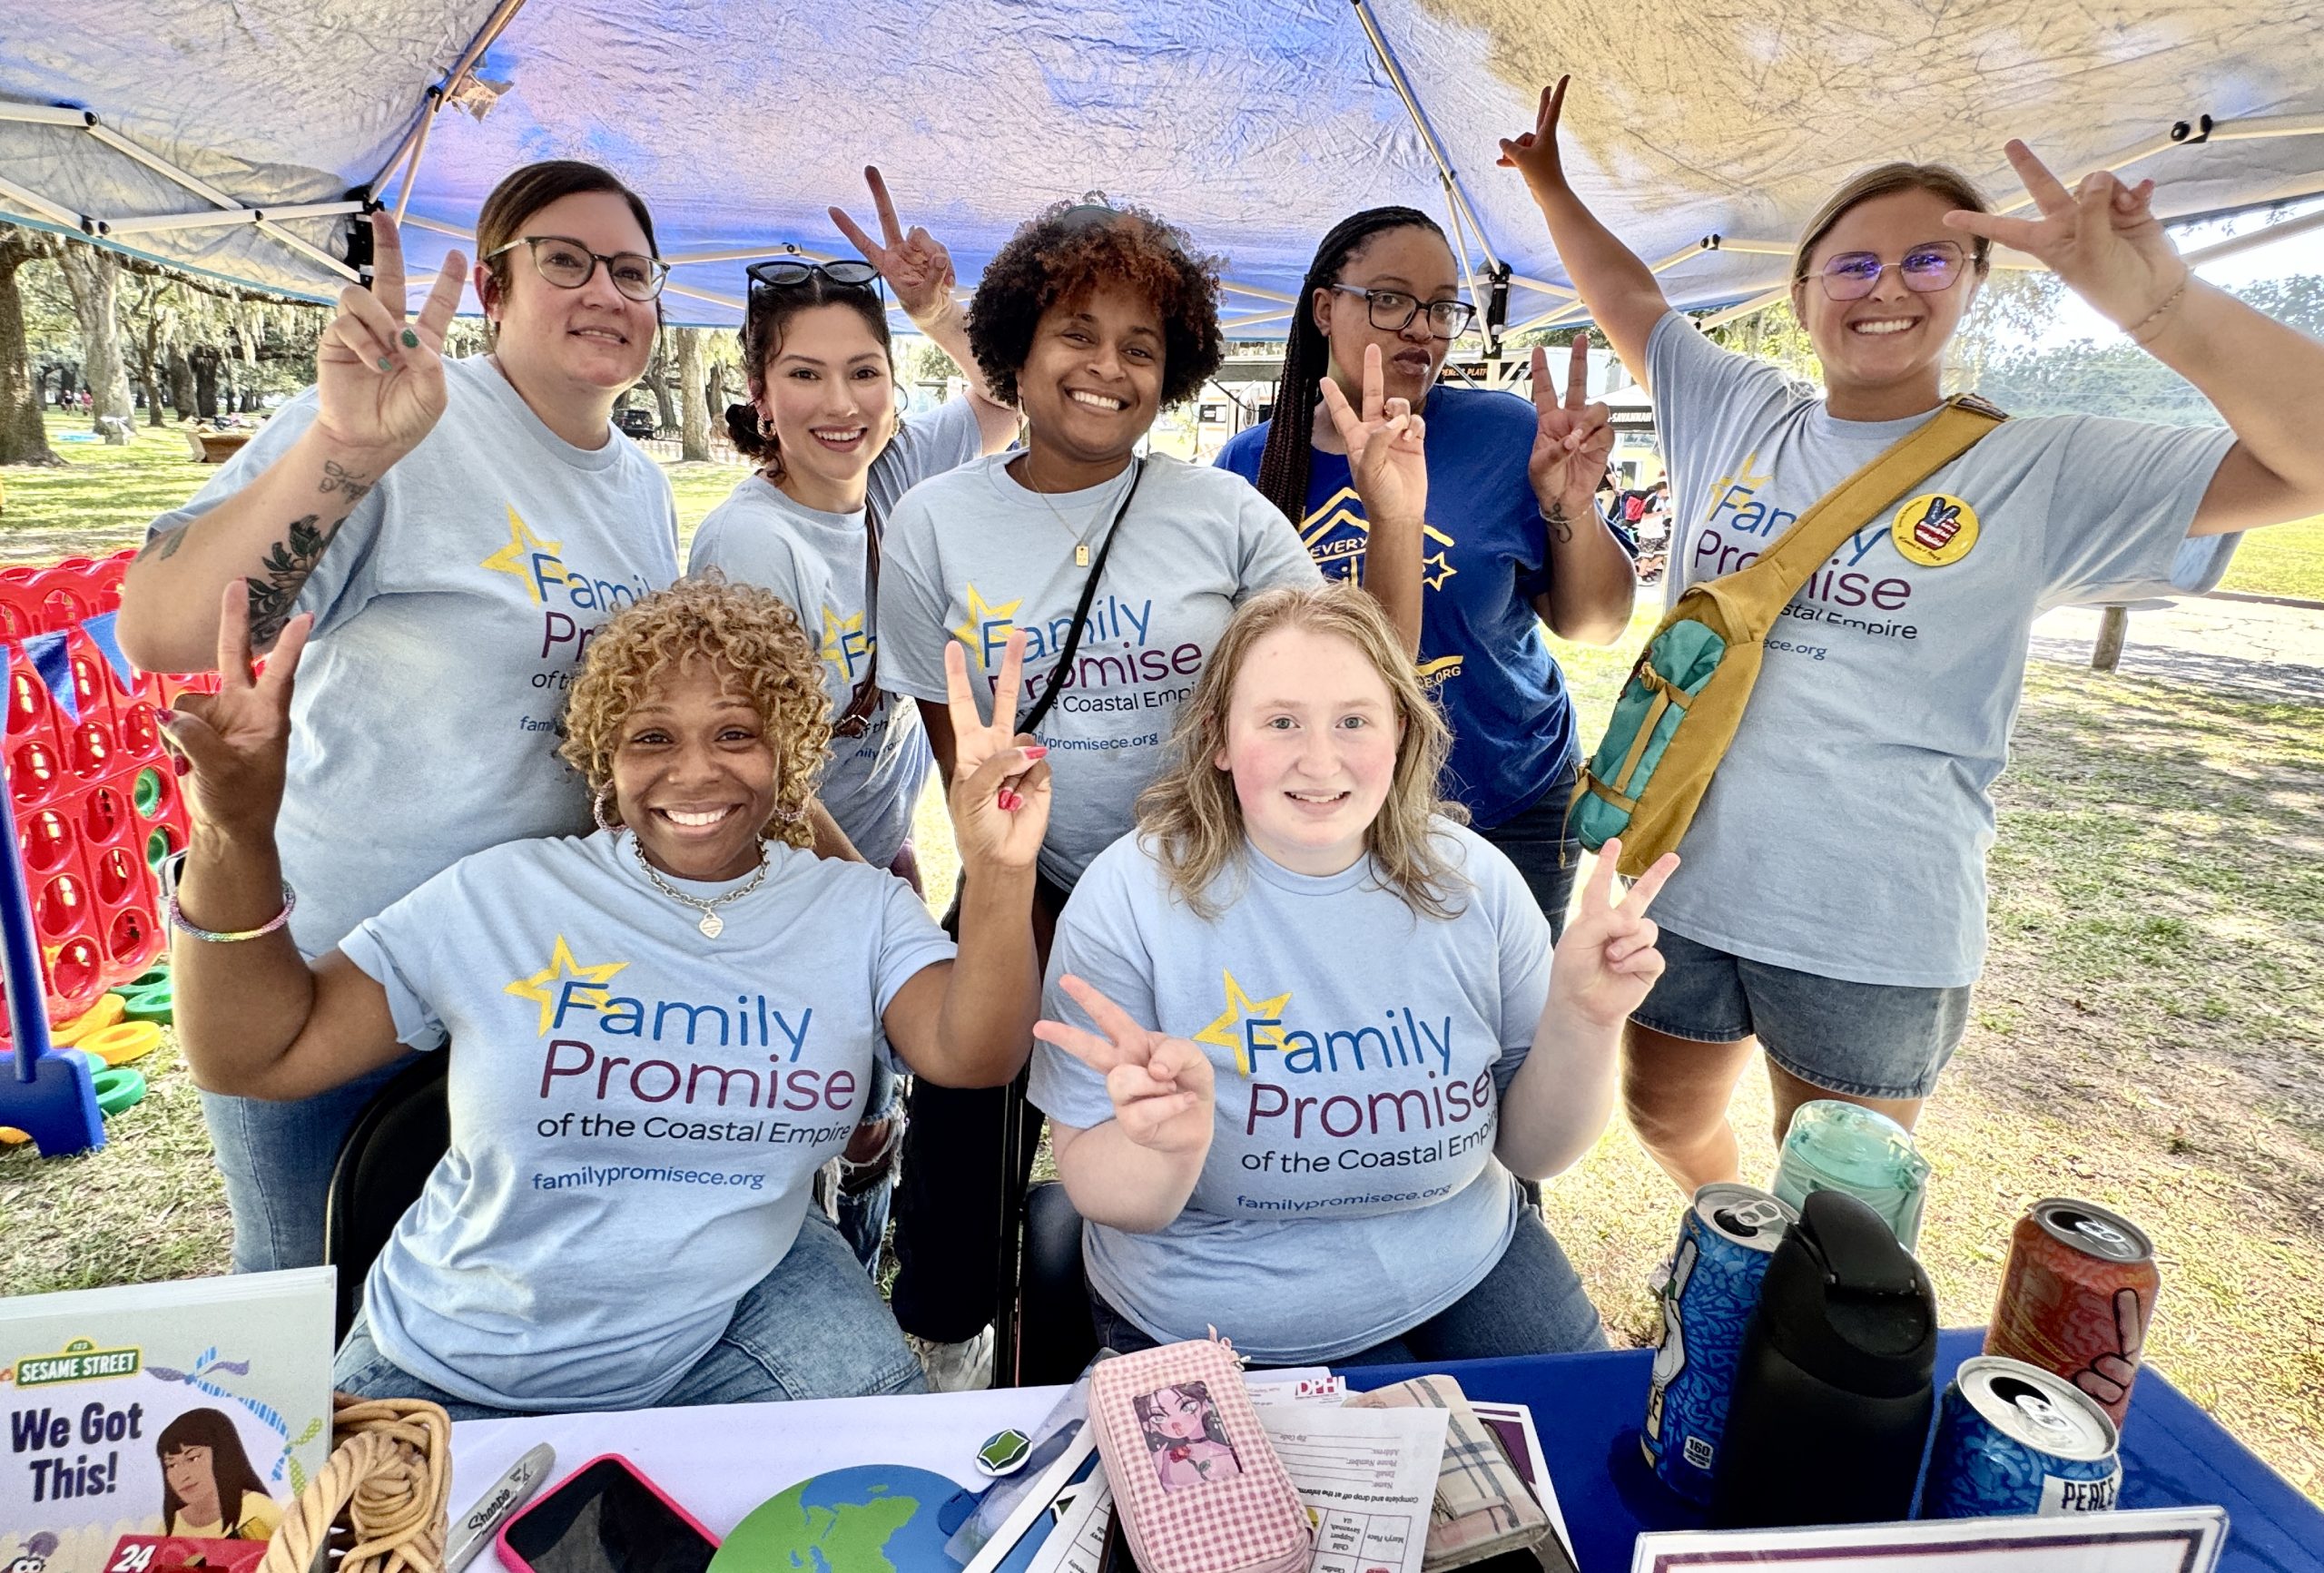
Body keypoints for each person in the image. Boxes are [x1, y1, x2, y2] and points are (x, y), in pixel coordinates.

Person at [1502, 76, 2324, 1187]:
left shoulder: (2037, 465)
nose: (1886, 286)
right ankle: (1730, 1242)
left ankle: (1795, 1288)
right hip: (1675, 882)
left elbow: (2304, 463)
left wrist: (2162, 305)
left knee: (1839, 1197)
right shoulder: (1735, 409)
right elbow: (1627, 295)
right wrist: (1549, 186)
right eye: (1852, 264)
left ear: (1972, 283)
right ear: (1800, 293)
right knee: (1664, 1119)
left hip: (1873, 922)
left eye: (1927, 260)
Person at [162, 576, 1050, 1419]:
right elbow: (256, 1053)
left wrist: (1000, 870)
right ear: (604, 756)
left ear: (788, 748)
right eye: (652, 737)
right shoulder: (504, 895)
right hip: (451, 1360)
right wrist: (233, 831)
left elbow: (972, 1053)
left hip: (718, 1346)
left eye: (735, 733)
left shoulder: (855, 909)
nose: (694, 772)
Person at [114, 163, 689, 1275]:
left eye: (632, 272)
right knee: (313, 1291)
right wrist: (347, 449)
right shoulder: (404, 415)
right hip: (331, 976)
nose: (604, 292)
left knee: (486, 1295)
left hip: (528, 989)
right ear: (494, 289)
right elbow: (163, 626)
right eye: (566, 262)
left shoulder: (642, 488)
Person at [875, 198, 1320, 1386]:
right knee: (966, 1125)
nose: (1108, 367)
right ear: (1014, 348)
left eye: (1140, 345)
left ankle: (1195, 1340)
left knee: (1191, 1126)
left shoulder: (1224, 513)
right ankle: (948, 1337)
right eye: (1077, 332)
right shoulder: (933, 520)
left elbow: (1331, 675)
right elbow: (953, 735)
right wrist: (1010, 884)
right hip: (1029, 875)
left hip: (1206, 891)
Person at [1029, 584, 1674, 1365]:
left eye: (1353, 721)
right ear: (1219, 736)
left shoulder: (1475, 882)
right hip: (1222, 1304)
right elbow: (1100, 1190)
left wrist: (1585, 1020)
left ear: (1399, 730)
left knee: (1583, 1440)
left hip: (1466, 1259)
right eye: (1281, 721)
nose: (1320, 759)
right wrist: (1167, 1150)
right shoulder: (1129, 898)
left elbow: (1534, 1153)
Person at [687, 168, 1018, 1272]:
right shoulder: (753, 542)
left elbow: (1008, 396)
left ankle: (862, 1201)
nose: (841, 404)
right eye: (806, 374)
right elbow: (754, 779)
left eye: (864, 371)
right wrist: (870, 897)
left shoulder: (891, 475)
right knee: (816, 1108)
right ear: (760, 392)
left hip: (864, 861)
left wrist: (938, 311)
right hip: (779, 887)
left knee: (869, 1099)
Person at [1217, 207, 1634, 939]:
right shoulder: (1250, 465)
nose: (1422, 329)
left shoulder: (1506, 434)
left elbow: (1595, 624)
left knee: (1512, 1010)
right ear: (1324, 308)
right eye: (1390, 299)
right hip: (1331, 806)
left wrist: (1571, 506)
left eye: (1442, 307)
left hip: (1512, 798)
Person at [157, 1410, 282, 1542]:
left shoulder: (259, 1507)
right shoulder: (167, 1527)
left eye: (193, 1458)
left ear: (222, 1454)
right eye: (172, 1465)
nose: (182, 1475)